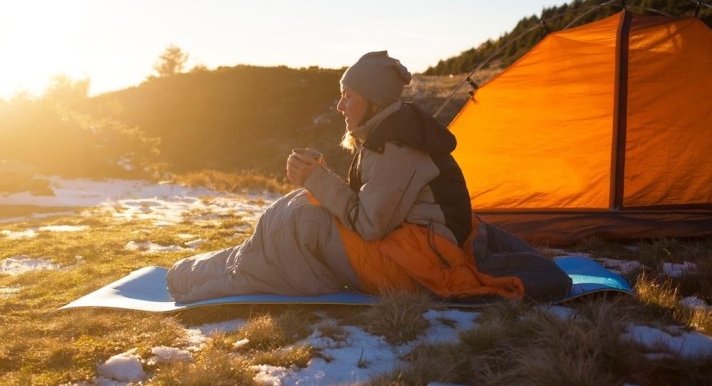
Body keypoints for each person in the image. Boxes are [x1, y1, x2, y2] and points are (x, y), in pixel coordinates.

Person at [167, 51, 571, 303]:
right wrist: (320, 179)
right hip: (415, 243)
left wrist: (318, 180)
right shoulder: (389, 132)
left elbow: (371, 224)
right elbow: (373, 203)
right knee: (297, 214)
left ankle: (196, 282)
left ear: (373, 100)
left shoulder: (395, 146)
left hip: (415, 262)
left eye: (348, 96)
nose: (340, 105)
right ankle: (209, 269)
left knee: (300, 222)